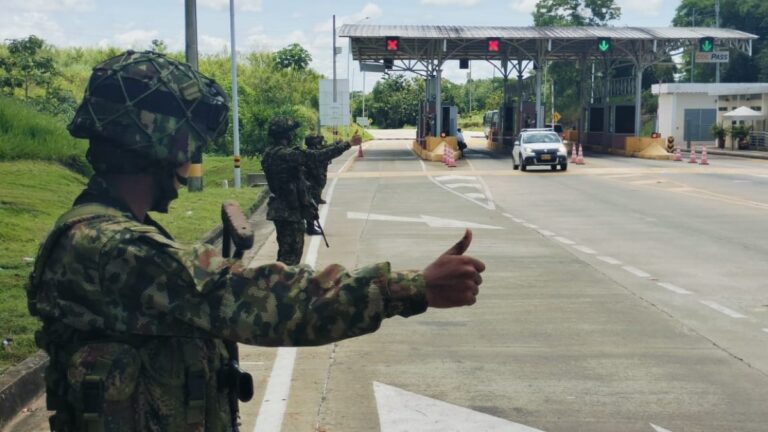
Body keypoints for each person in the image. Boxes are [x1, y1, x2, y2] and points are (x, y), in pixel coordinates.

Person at [26, 51, 485, 432]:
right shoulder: (109, 247)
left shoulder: (107, 233)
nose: (194, 159)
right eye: (191, 143)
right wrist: (410, 287)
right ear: (160, 144)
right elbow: (254, 299)